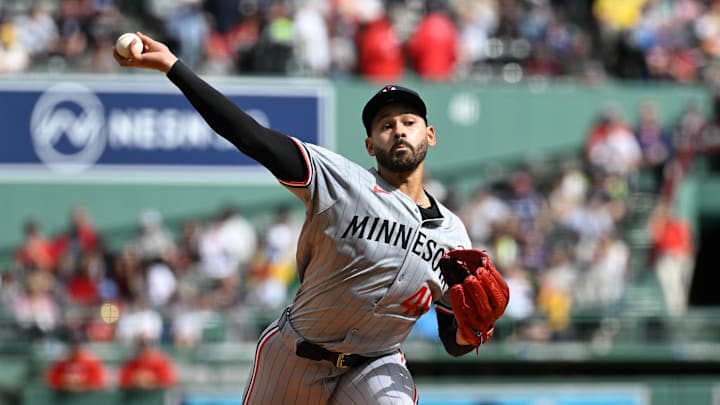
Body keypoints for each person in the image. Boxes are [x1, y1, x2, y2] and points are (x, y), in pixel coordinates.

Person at [113, 32, 507, 405]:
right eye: (386, 126)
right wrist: (174, 67)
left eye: (409, 122)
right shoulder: (339, 181)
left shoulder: (454, 234)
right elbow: (251, 135)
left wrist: (470, 330)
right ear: (370, 145)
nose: (398, 132)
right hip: (296, 356)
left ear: (430, 135)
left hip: (376, 364)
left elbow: (453, 341)